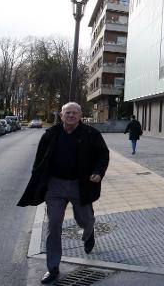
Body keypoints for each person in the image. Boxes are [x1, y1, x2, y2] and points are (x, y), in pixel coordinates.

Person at [17, 102, 109, 284]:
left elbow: (103, 155)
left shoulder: (91, 134)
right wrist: (38, 179)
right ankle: (52, 268)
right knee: (54, 225)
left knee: (85, 219)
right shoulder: (51, 135)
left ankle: (89, 233)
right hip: (55, 186)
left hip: (80, 185)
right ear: (61, 115)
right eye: (68, 113)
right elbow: (40, 160)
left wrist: (98, 172)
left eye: (75, 113)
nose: (71, 115)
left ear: (81, 115)